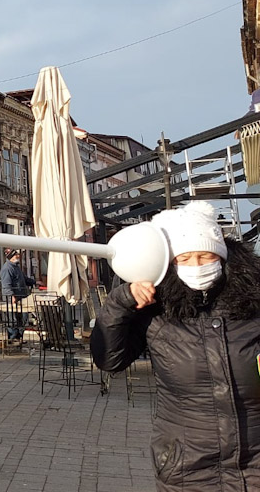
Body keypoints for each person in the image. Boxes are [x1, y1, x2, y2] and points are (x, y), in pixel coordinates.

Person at [91, 201, 260, 491]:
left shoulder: (252, 302)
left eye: (205, 255)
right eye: (185, 258)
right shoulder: (157, 311)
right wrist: (121, 302)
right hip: (187, 468)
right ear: (171, 263)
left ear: (221, 257)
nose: (197, 265)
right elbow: (110, 359)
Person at [0, 248, 34, 338]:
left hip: (21, 296)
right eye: (16, 255)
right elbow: (6, 284)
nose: (18, 256)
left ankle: (19, 337)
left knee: (23, 317)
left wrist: (35, 282)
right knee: (13, 319)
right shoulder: (7, 268)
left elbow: (24, 278)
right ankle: (13, 338)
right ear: (11, 257)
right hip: (13, 298)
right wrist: (11, 296)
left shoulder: (16, 267)